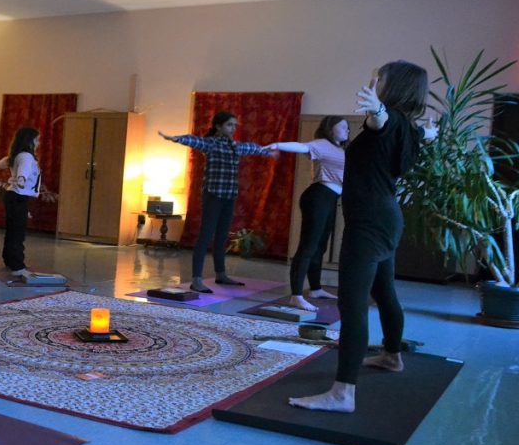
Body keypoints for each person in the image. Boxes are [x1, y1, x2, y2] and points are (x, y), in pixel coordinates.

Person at [289, 61, 437, 413]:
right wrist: (427, 135)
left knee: (352, 305)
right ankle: (391, 355)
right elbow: (407, 135)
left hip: (369, 225)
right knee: (384, 292)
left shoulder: (388, 120)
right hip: (386, 220)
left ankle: (343, 393)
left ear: (394, 85)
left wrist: (378, 109)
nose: (374, 80)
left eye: (380, 77)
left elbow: (379, 122)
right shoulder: (410, 128)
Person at [159, 111, 274, 293]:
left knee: (222, 236)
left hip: (229, 196)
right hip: (213, 196)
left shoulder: (235, 146)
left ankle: (220, 274)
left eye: (235, 125)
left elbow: (252, 148)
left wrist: (268, 151)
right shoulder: (211, 144)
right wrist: (174, 138)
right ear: (218, 126)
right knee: (206, 236)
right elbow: (194, 140)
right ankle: (196, 279)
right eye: (229, 125)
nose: (233, 128)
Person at [267, 116, 349, 311]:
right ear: (331, 129)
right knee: (308, 246)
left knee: (320, 247)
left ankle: (315, 288)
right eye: (343, 126)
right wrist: (277, 144)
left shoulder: (341, 149)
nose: (347, 130)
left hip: (330, 199)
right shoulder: (321, 144)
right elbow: (302, 147)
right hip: (318, 197)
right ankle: (296, 295)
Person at [0, 126, 41, 277]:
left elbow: (0, 164)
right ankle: (17, 266)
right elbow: (23, 171)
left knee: (12, 230)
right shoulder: (26, 156)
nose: (38, 143)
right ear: (30, 141)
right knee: (17, 233)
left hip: (14, 196)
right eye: (36, 139)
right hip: (18, 195)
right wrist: (21, 179)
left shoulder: (18, 154)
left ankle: (10, 260)